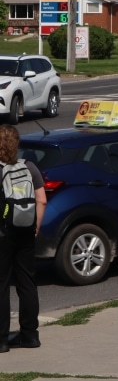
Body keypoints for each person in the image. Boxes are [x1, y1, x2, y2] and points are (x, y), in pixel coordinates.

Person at [0, 125, 46, 352]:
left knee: (1, 286)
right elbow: (42, 200)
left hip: (3, 234)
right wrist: (35, 226)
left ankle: (1, 340)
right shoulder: (30, 167)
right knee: (27, 283)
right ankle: (30, 335)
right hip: (26, 231)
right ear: (16, 144)